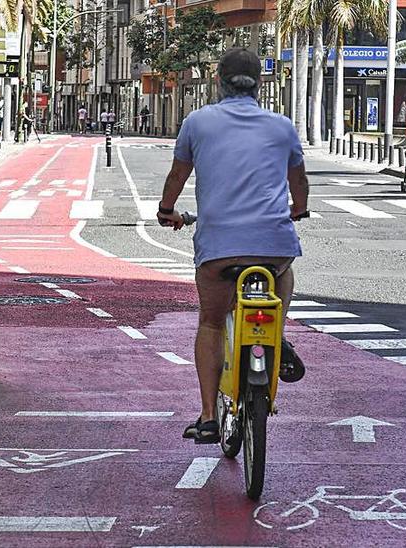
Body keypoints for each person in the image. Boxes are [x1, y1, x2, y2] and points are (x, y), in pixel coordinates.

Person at [156, 48, 309, 445]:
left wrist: (167, 209)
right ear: (260, 82)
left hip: (219, 249)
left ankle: (208, 417)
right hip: (273, 247)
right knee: (284, 271)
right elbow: (300, 184)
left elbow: (177, 175)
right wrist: (298, 210)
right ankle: (277, 332)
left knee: (210, 321)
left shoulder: (198, 122)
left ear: (218, 81)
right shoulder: (282, 126)